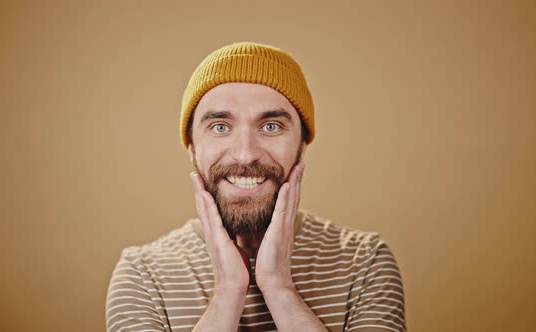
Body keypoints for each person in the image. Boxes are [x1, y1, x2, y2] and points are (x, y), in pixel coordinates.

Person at [106, 42, 406, 332]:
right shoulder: (142, 273)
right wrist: (227, 293)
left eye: (271, 126)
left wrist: (279, 287)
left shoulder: (364, 261)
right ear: (192, 148)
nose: (246, 154)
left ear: (302, 145)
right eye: (220, 127)